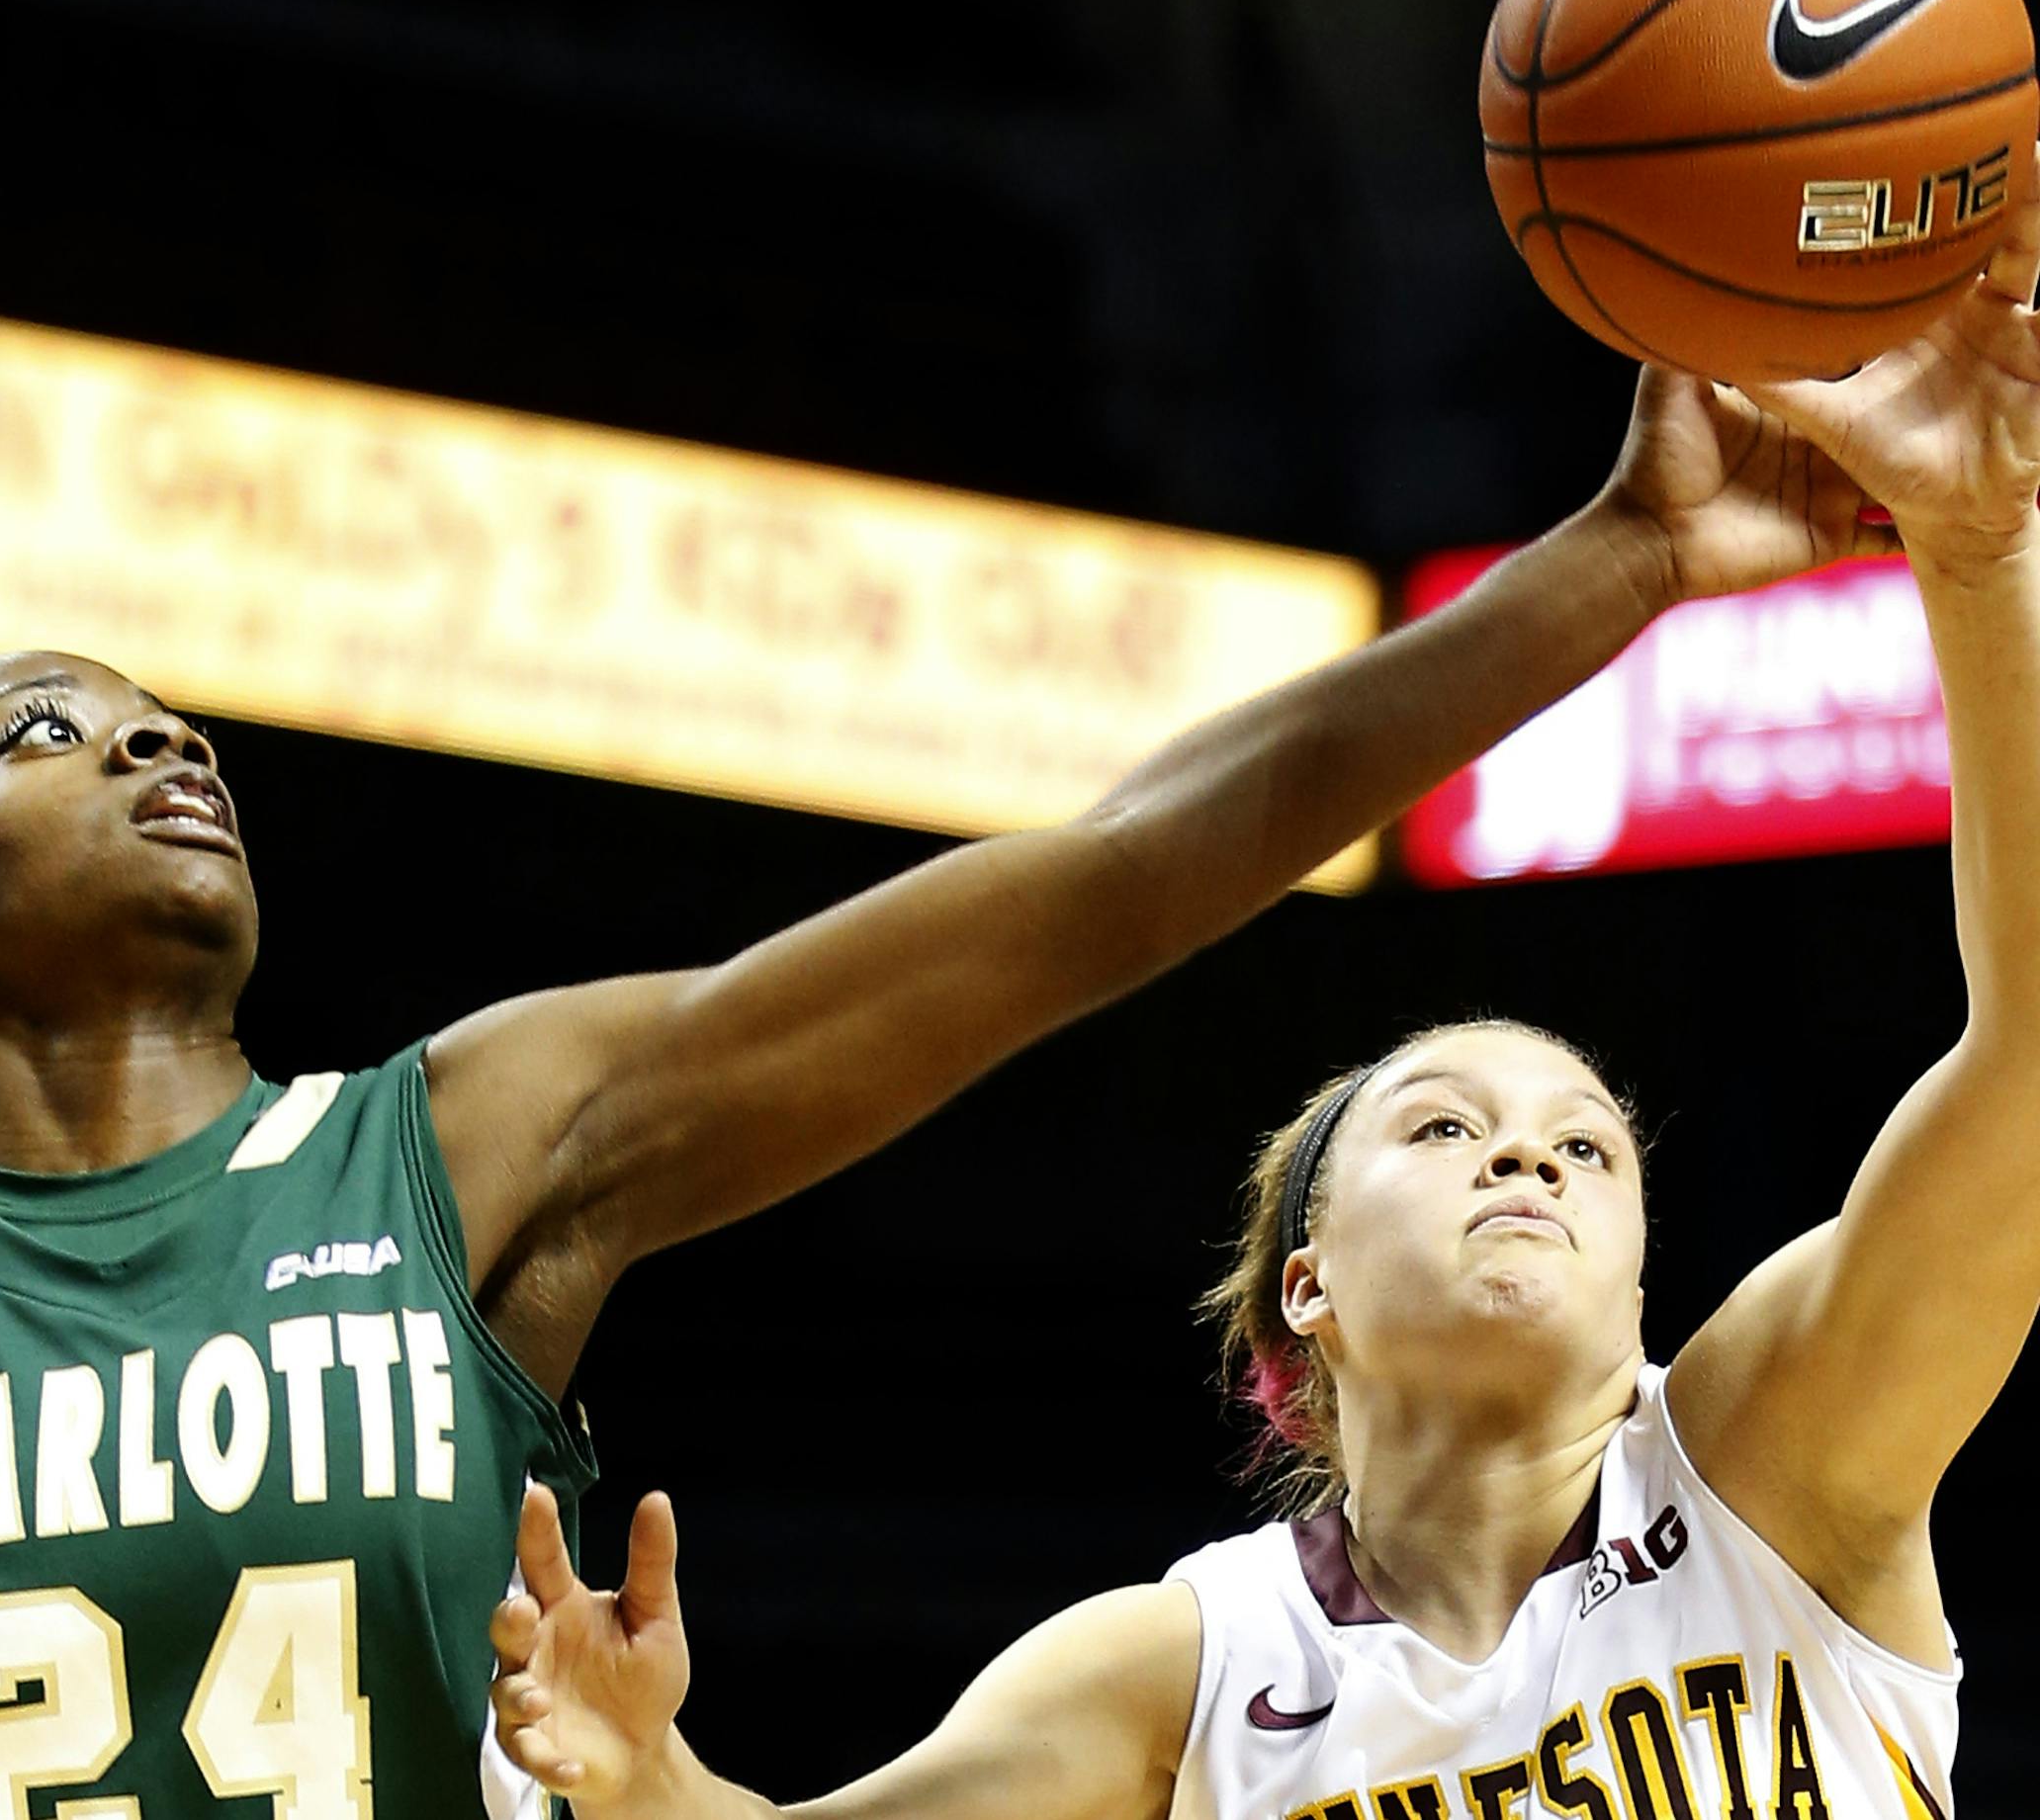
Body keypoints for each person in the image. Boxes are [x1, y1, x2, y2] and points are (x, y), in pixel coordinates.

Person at [483, 156, 2040, 1820]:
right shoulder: (1188, 1663)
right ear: (1307, 1288)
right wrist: (647, 1784)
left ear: (1649, 1285)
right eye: (1445, 1128)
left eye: (1588, 1151)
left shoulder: (1769, 1469)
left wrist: (1979, 548)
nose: (1529, 1160)